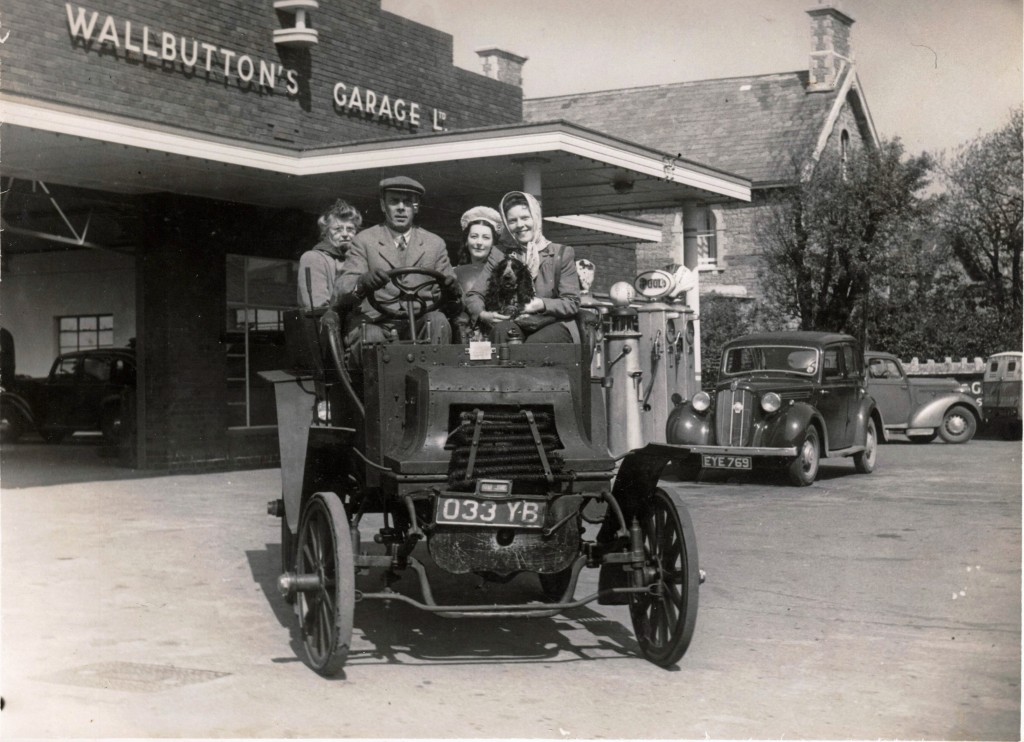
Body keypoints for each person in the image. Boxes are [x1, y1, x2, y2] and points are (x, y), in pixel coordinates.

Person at [338, 176, 461, 347]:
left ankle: (435, 374)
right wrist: (362, 281)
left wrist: (452, 291)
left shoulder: (435, 243)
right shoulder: (364, 240)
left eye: (408, 202)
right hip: (376, 321)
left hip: (419, 321)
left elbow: (448, 288)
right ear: (383, 205)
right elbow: (343, 286)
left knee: (437, 320)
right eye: (394, 202)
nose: (401, 208)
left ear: (416, 207)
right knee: (370, 335)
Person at [466, 191, 581, 344]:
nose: (520, 225)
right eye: (512, 220)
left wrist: (540, 304)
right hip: (516, 321)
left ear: (536, 218)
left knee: (535, 344)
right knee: (502, 331)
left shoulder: (561, 253)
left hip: (554, 323)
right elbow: (474, 294)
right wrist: (483, 314)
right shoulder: (500, 254)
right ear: (507, 224)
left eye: (525, 218)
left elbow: (572, 301)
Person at [297, 199, 362, 310]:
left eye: (350, 229)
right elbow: (318, 307)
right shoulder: (313, 258)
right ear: (326, 232)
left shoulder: (357, 259)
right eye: (338, 229)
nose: (345, 234)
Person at [454, 205, 504, 294]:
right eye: (474, 236)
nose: (479, 242)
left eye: (486, 237)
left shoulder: (502, 274)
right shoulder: (453, 272)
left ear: (493, 243)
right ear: (466, 241)